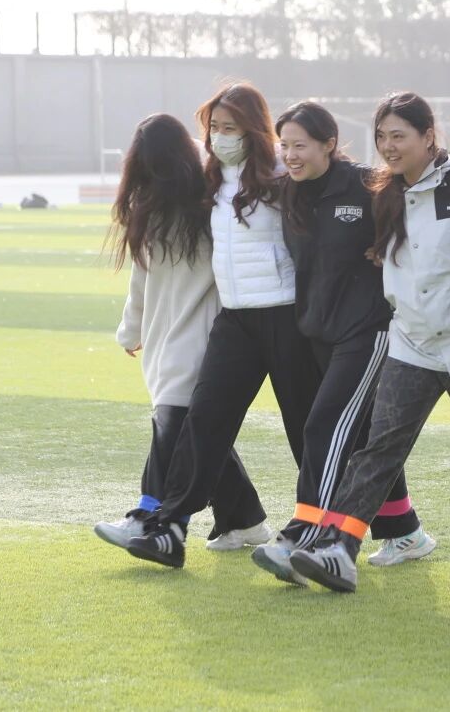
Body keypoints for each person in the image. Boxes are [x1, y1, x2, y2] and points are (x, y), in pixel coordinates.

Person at [287, 92, 450, 593]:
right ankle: (337, 550)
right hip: (411, 343)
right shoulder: (381, 192)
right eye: (381, 137)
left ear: (428, 136)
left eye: (399, 136)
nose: (388, 146)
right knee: (378, 449)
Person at [125, 82, 321, 568]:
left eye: (230, 127)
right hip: (235, 319)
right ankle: (170, 527)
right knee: (204, 421)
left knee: (307, 429)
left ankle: (328, 528)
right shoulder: (210, 178)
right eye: (214, 127)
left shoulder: (283, 174)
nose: (219, 136)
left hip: (287, 317)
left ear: (253, 129)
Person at [249, 100, 432, 585]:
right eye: (284, 145)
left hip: (367, 332)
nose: (290, 155)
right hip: (317, 332)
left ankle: (305, 532)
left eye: (301, 145)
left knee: (324, 427)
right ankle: (405, 531)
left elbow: (419, 223)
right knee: (365, 435)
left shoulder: (369, 185)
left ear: (329, 144)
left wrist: (391, 251)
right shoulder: (288, 191)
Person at [93, 113, 268, 551]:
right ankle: (245, 520)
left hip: (204, 333)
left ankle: (147, 513)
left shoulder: (209, 204)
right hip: (166, 333)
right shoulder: (164, 209)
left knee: (172, 421)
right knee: (199, 432)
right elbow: (142, 279)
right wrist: (131, 330)